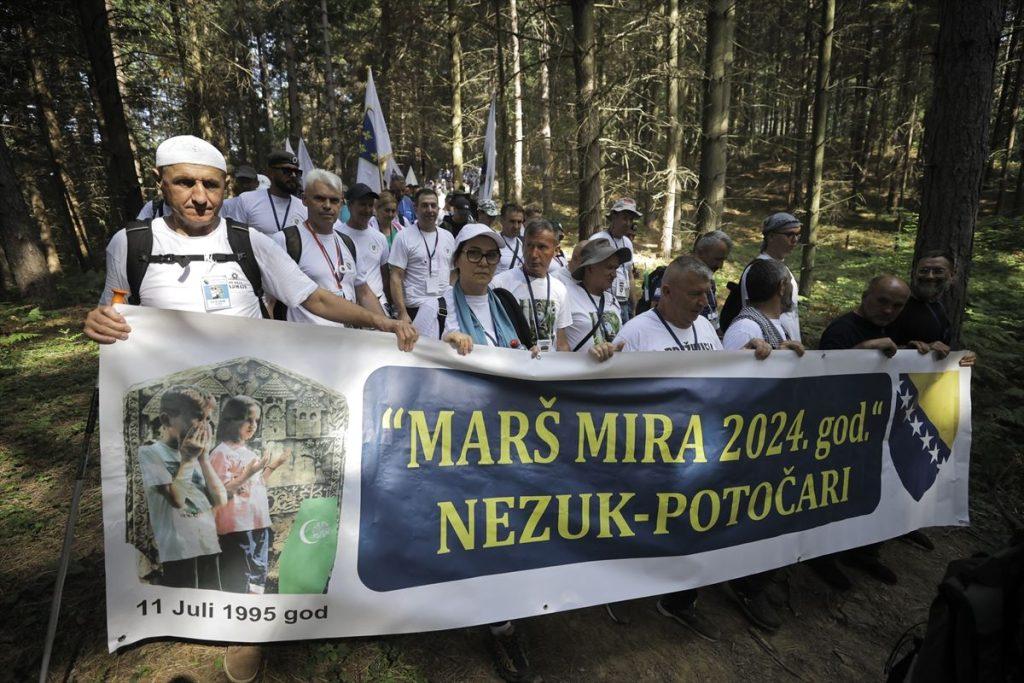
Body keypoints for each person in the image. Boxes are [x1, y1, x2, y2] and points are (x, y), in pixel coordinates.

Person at [84, 135, 416, 683]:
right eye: (184, 183)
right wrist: (99, 321)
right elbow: (114, 306)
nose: (198, 197)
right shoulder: (132, 242)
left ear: (226, 188)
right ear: (162, 183)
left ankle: (242, 629)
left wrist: (377, 321)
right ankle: (182, 596)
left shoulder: (252, 242)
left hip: (236, 412)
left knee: (234, 513)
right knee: (183, 511)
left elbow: (312, 298)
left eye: (210, 185)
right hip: (176, 414)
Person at [615, 255, 774, 639]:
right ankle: (620, 590)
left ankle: (679, 601)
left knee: (694, 525)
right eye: (695, 294)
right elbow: (611, 397)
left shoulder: (705, 325)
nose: (704, 302)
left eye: (707, 294)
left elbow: (718, 378)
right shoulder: (636, 332)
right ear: (665, 292)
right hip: (651, 456)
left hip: (700, 454)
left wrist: (749, 355)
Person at [811, 274, 946, 588]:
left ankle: (863, 552)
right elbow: (824, 377)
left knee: (874, 491)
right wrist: (866, 349)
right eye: (882, 301)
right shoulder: (842, 330)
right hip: (838, 431)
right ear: (865, 295)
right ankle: (822, 558)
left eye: (897, 305)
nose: (888, 310)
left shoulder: (893, 330)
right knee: (835, 496)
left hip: (877, 430)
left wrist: (928, 355)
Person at [139, 384, 226, 589]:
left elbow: (221, 499)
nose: (203, 426)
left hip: (207, 543)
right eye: (197, 417)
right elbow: (177, 500)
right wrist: (187, 461)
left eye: (207, 419)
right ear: (166, 419)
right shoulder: (150, 453)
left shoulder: (196, 454)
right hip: (177, 549)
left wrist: (203, 459)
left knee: (212, 598)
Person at [272, 171, 387, 324]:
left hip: (346, 340)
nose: (327, 206)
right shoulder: (285, 241)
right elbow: (269, 300)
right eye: (319, 198)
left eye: (334, 200)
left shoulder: (348, 243)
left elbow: (364, 292)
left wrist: (388, 329)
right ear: (304, 199)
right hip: (305, 343)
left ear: (341, 203)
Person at [412, 223, 532, 353]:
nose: (484, 263)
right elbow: (416, 361)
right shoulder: (434, 310)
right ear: (456, 260)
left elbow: (520, 350)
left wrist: (529, 356)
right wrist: (443, 345)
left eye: (491, 255)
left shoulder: (506, 305)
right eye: (474, 253)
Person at [209, 396, 288, 594]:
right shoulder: (220, 453)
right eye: (247, 419)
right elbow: (222, 492)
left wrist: (272, 466)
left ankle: (254, 607)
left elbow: (258, 485)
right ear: (230, 420)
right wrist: (249, 473)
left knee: (258, 573)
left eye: (256, 421)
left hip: (259, 523)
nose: (253, 425)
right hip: (237, 527)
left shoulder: (249, 453)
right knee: (238, 575)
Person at [491, 219, 573, 352]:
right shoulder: (500, 284)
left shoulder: (560, 289)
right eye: (529, 246)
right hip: (513, 367)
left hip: (548, 369)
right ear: (523, 247)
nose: (534, 254)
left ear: (554, 250)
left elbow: (561, 342)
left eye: (542, 247)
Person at [388, 187, 456, 323]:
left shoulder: (448, 237)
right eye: (424, 205)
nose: (430, 210)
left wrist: (450, 299)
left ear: (438, 208)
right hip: (415, 308)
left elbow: (453, 272)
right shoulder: (403, 237)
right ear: (415, 208)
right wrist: (402, 312)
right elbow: (396, 276)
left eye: (433, 205)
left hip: (444, 308)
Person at [738, 212, 802, 341]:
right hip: (770, 345)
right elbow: (754, 312)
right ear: (771, 236)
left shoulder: (782, 268)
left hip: (787, 347)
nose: (795, 240)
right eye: (789, 234)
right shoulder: (757, 270)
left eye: (797, 235)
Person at [723, 258, 805, 355]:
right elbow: (730, 368)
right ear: (782, 286)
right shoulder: (745, 329)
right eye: (790, 282)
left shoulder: (765, 326)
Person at [563, 238, 629, 359]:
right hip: (582, 374)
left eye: (615, 268)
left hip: (613, 373)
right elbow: (559, 343)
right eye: (609, 267)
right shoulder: (566, 296)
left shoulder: (612, 300)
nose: (614, 274)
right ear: (590, 268)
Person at [220, 150, 307, 234]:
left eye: (296, 172)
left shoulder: (304, 207)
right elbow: (237, 237)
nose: (293, 175)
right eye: (287, 171)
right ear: (270, 173)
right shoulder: (247, 200)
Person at [339, 183, 392, 315]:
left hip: (378, 304)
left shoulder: (380, 238)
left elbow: (385, 274)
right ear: (350, 205)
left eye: (370, 205)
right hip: (348, 307)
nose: (367, 210)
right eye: (362, 204)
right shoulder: (336, 235)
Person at [590, 198, 640, 323]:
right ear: (613, 217)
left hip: (624, 302)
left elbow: (629, 274)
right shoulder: (598, 239)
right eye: (624, 218)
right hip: (605, 301)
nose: (628, 223)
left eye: (631, 219)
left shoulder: (627, 242)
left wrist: (633, 304)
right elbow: (589, 273)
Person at [693, 230, 733, 332]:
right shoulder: (676, 279)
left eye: (723, 260)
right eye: (717, 259)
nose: (721, 266)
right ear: (700, 252)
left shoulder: (709, 282)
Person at [496, 203, 526, 273]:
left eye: (519, 222)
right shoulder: (494, 242)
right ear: (502, 220)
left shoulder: (524, 243)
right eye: (512, 221)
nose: (516, 226)